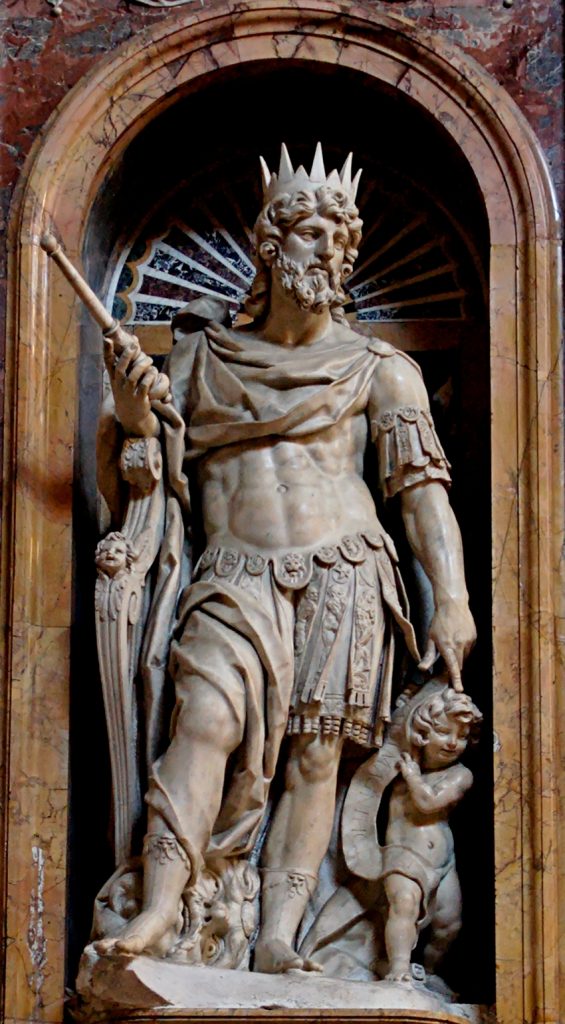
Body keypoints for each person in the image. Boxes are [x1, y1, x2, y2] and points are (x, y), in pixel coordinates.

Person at [95, 144, 476, 970]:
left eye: (341, 239)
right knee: (203, 724)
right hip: (234, 575)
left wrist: (451, 598)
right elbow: (147, 481)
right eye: (310, 233)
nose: (328, 252)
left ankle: (275, 936)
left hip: (345, 573)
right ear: (269, 245)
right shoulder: (198, 358)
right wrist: (132, 418)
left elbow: (423, 495)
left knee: (315, 759)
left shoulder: (381, 370)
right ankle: (158, 908)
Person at [381, 686, 482, 983]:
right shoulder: (398, 767)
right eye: (443, 732)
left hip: (443, 862)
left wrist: (413, 778)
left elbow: (428, 803)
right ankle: (399, 969)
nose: (452, 742)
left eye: (462, 736)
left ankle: (428, 972)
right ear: (422, 732)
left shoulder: (460, 774)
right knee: (404, 905)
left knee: (449, 925)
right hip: (404, 856)